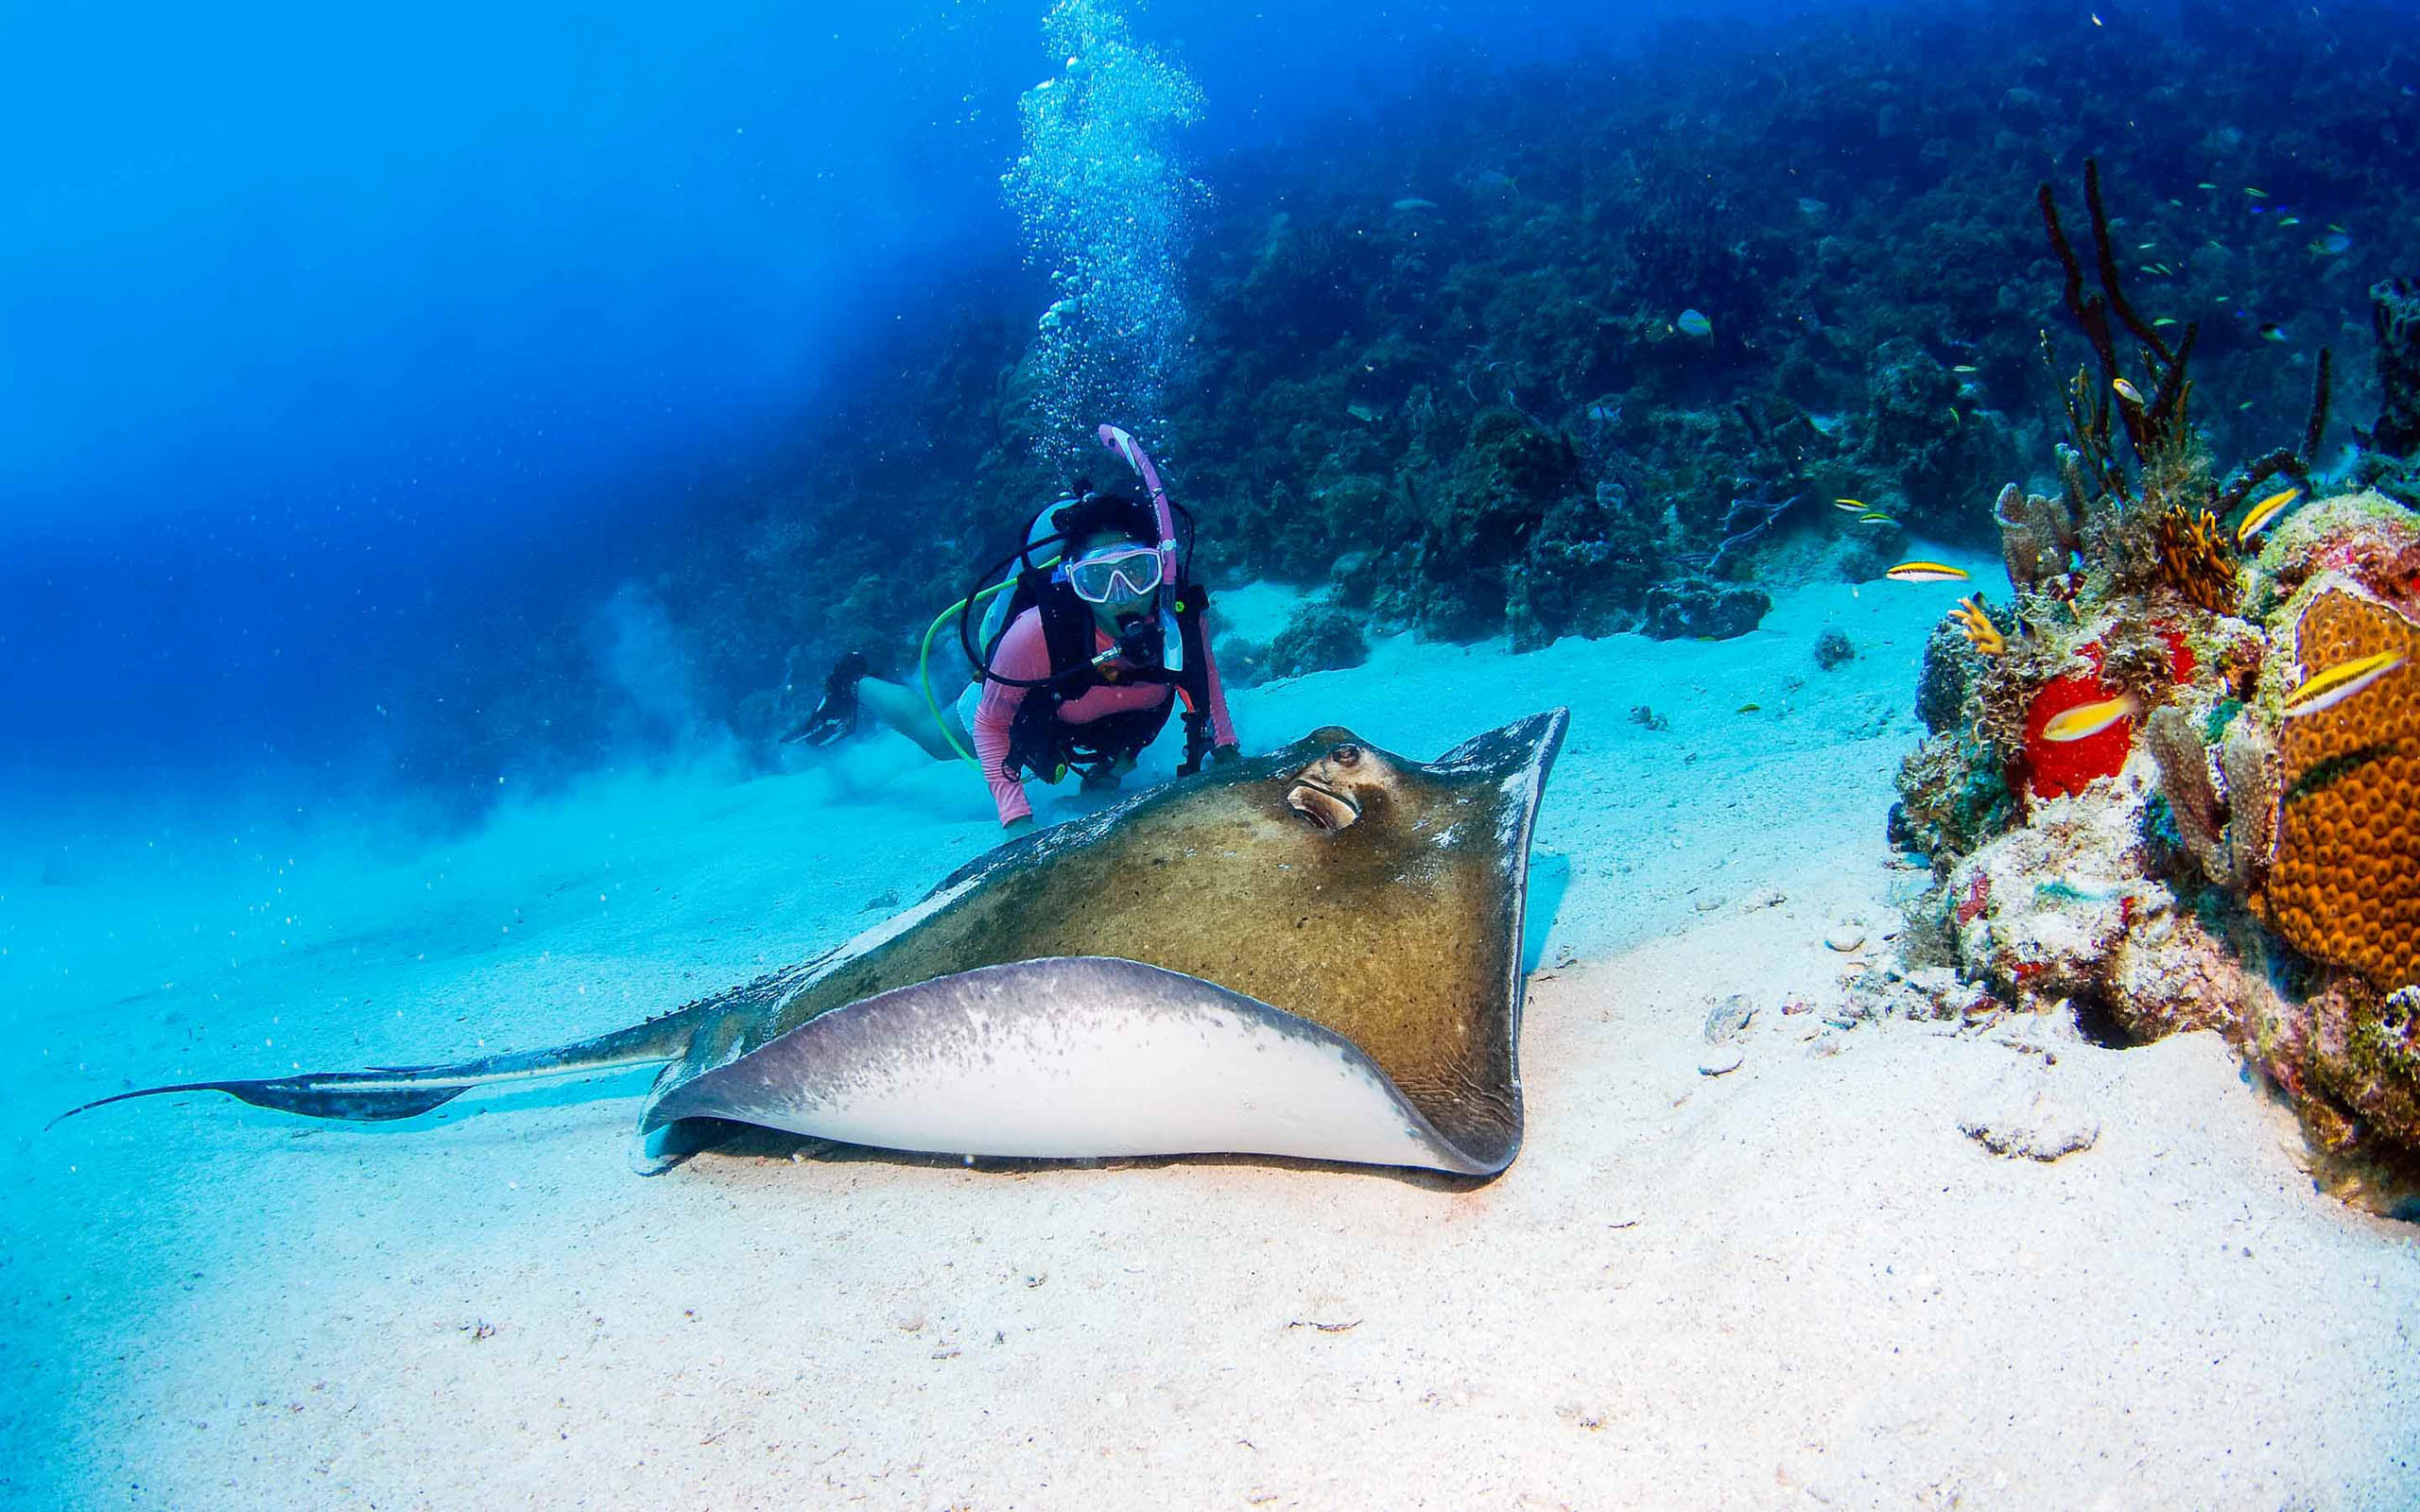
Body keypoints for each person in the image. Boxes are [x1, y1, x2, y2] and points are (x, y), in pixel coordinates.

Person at [787, 485, 1240, 833]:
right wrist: (1017, 820)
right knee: (937, 738)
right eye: (1098, 579)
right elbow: (990, 724)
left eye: (1137, 572)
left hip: (1120, 727)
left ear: (1160, 571)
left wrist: (1226, 753)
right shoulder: (1037, 633)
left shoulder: (1177, 617)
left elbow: (1205, 685)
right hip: (1037, 708)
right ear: (1074, 583)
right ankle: (855, 681)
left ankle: (1107, 765)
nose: (1121, 594)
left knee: (1112, 766)